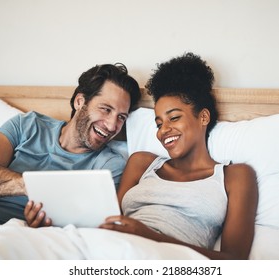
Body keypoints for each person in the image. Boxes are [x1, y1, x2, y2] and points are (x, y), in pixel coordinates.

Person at [0, 63, 141, 244]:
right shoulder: (28, 125)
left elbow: (91, 235)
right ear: (80, 102)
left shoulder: (108, 166)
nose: (111, 125)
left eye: (121, 118)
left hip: (8, 235)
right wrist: (29, 185)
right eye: (106, 109)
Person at [97, 53, 258, 260]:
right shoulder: (141, 163)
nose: (163, 130)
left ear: (203, 117)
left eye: (174, 118)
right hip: (108, 251)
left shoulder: (235, 176)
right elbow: (109, 221)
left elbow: (234, 261)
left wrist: (149, 236)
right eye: (158, 123)